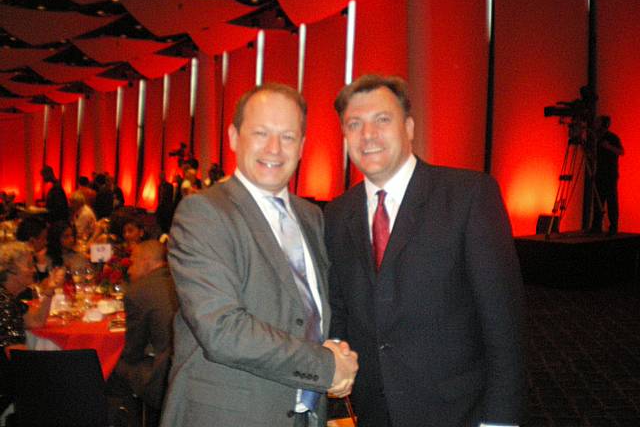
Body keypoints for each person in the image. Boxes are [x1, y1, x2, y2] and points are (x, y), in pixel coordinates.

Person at [324, 75, 525, 427]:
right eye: (354, 124)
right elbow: (340, 309)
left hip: (457, 410)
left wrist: (500, 419)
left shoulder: (468, 196)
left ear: (410, 127)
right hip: (373, 411)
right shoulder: (338, 213)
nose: (367, 135)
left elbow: (503, 321)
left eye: (382, 120)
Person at [161, 83, 358, 427]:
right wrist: (326, 367)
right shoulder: (204, 213)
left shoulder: (310, 216)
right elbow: (222, 330)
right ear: (234, 137)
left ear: (302, 147)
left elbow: (311, 311)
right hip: (229, 416)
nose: (274, 148)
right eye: (261, 133)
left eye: (287, 136)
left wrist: (338, 351)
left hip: (304, 414)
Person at [108, 240, 178, 427]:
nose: (129, 270)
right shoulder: (179, 279)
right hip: (185, 365)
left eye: (132, 263)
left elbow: (133, 351)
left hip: (165, 375)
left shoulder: (138, 291)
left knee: (112, 367)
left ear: (146, 262)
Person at [0, 241, 64, 355]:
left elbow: (37, 321)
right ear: (11, 270)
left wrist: (49, 291)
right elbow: (16, 355)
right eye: (29, 265)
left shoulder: (9, 299)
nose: (34, 270)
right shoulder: (5, 303)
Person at [591, 115, 624, 235]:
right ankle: (596, 227)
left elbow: (621, 151)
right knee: (598, 200)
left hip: (610, 175)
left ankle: (613, 227)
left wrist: (608, 146)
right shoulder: (598, 138)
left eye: (598, 122)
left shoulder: (612, 137)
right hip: (600, 174)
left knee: (611, 201)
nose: (595, 123)